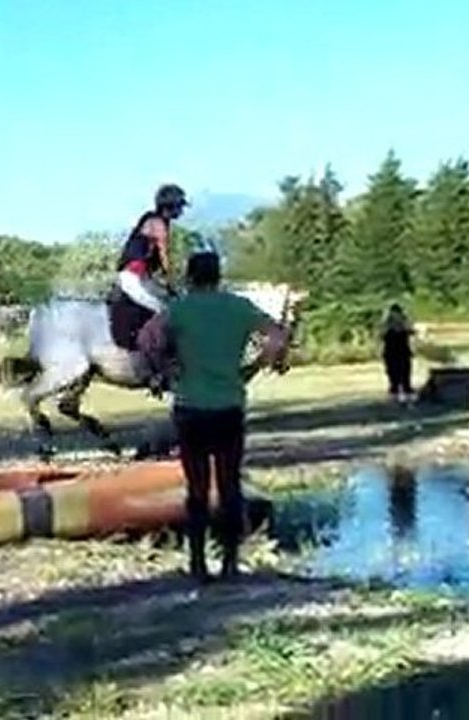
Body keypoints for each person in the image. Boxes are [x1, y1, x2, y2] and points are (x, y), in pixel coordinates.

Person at [162, 248, 290, 583]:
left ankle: (198, 563)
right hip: (229, 405)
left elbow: (147, 340)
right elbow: (278, 335)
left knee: (197, 487)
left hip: (190, 407)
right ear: (218, 276)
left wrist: (168, 366)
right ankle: (231, 562)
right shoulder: (238, 306)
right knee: (230, 485)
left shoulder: (179, 309)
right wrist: (256, 365)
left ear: (190, 276)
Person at [115, 183, 189, 314]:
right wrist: (172, 284)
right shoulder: (158, 224)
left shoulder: (152, 219)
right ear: (171, 206)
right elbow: (164, 257)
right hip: (133, 280)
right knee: (165, 312)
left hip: (139, 278)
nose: (182, 211)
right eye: (180, 207)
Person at [381, 303, 414, 403]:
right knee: (393, 373)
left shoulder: (404, 322)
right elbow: (381, 334)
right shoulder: (387, 324)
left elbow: (411, 331)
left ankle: (405, 390)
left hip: (403, 352)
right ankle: (395, 391)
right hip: (391, 352)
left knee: (405, 372)